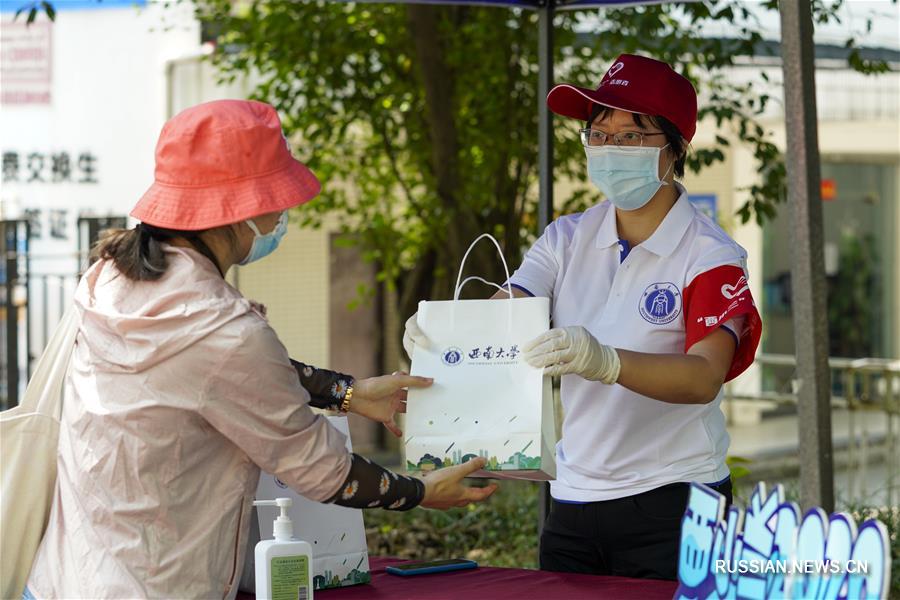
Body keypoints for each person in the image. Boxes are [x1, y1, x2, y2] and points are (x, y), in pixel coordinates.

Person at [25, 100, 496, 599]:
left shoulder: (111, 279)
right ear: (242, 209)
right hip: (155, 585)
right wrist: (422, 491)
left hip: (63, 576)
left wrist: (349, 394)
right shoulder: (225, 329)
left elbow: (220, 375)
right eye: (277, 196)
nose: (283, 211)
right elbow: (324, 472)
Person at [404, 54, 761, 580]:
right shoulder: (565, 238)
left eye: (632, 136)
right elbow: (509, 309)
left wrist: (606, 361)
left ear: (676, 147)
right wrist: (448, 333)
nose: (610, 148)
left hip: (676, 499)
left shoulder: (709, 254)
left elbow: (704, 376)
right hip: (571, 499)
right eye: (599, 132)